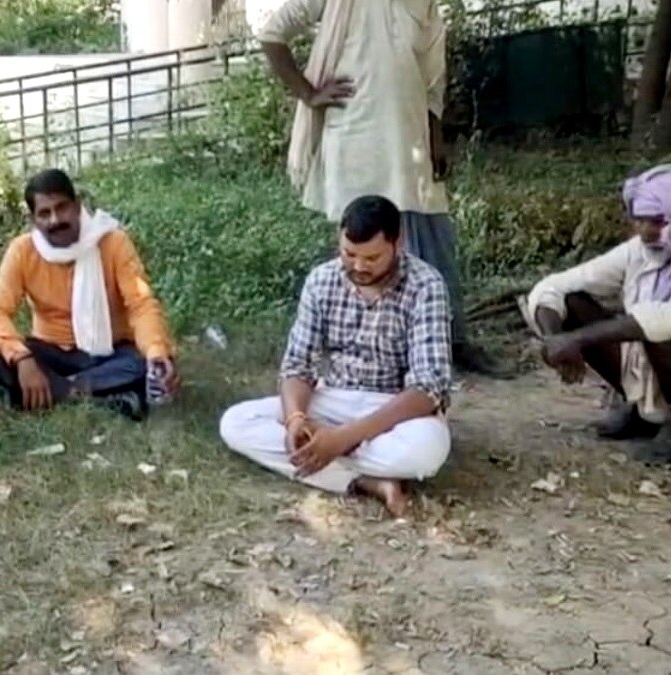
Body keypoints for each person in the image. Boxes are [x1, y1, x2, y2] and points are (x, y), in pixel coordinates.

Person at [257, 0, 508, 377]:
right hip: (357, 139)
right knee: (367, 247)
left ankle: (452, 342)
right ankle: (380, 349)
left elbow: (432, 77)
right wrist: (309, 94)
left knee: (435, 239)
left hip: (411, 139)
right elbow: (272, 34)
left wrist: (435, 136)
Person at [219, 196, 452, 517]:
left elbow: (428, 388)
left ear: (398, 243)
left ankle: (326, 457)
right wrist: (296, 419)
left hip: (393, 408)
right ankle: (366, 481)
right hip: (333, 399)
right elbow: (297, 366)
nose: (359, 266)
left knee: (426, 452)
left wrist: (343, 438)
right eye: (349, 254)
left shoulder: (426, 285)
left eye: (372, 258)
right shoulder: (322, 280)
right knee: (236, 423)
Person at [0, 169, 179, 419]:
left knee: (143, 364)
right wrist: (22, 359)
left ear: (77, 205)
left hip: (109, 351)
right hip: (53, 351)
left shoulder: (113, 242)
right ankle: (103, 397)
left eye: (62, 208)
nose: (55, 220)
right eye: (44, 213)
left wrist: (156, 352)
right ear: (33, 219)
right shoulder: (23, 251)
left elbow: (140, 304)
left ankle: (51, 392)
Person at [522, 165, 671, 461]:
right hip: (649, 362)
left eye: (656, 221)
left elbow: (660, 320)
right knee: (572, 301)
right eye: (639, 220)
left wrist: (575, 339)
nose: (644, 230)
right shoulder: (638, 251)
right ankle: (643, 409)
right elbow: (553, 286)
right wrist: (555, 339)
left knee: (655, 330)